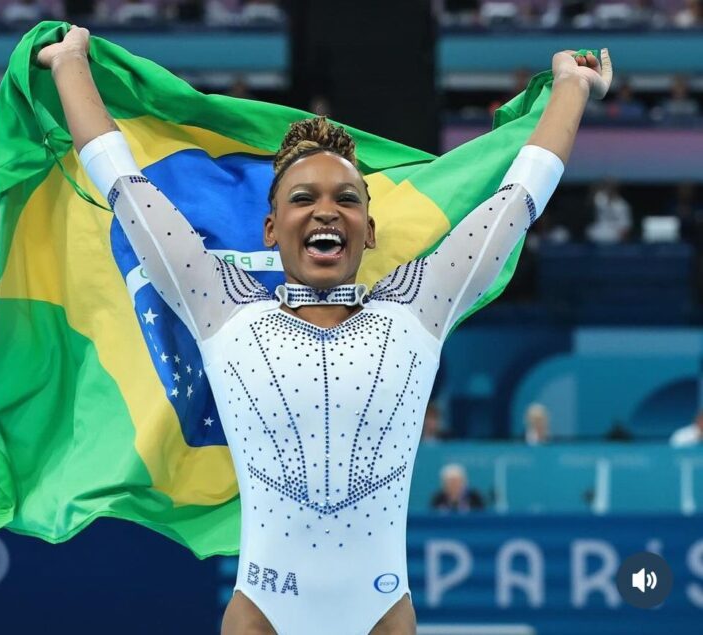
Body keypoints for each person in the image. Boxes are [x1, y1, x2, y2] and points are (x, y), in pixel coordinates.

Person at [38, 26, 612, 635]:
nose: (325, 210)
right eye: (302, 198)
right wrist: (71, 63)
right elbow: (126, 189)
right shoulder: (223, 309)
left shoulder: (419, 309)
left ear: (369, 230)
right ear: (269, 228)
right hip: (262, 612)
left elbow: (518, 200)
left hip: (380, 615)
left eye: (346, 198)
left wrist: (572, 87)